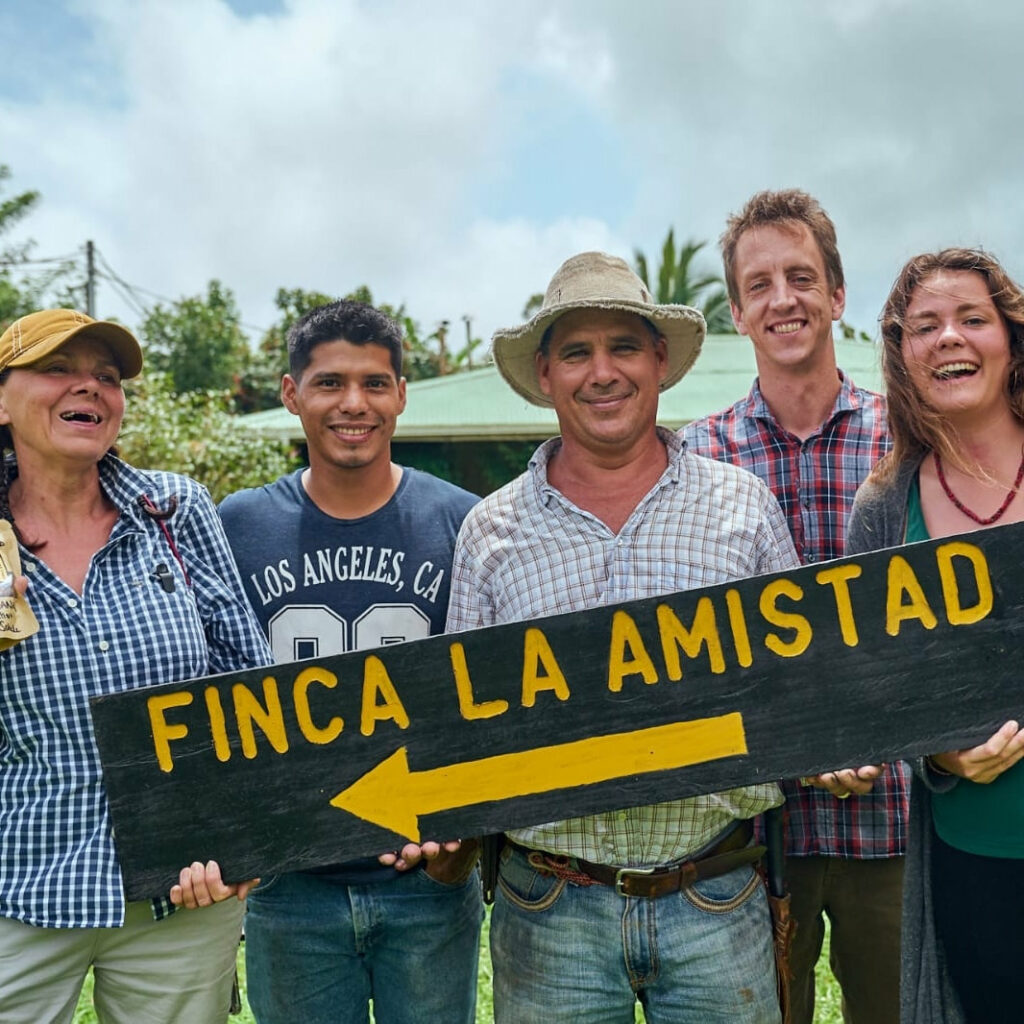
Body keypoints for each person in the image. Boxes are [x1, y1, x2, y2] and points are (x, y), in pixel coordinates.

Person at [448, 251, 800, 1023]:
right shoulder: (490, 532)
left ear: (660, 362)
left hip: (714, 890)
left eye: (624, 348)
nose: (601, 373)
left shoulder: (742, 508)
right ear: (545, 374)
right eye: (577, 352)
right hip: (549, 906)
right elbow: (462, 732)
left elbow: (795, 694)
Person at [0, 309, 272, 1023]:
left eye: (107, 376)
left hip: (180, 888)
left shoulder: (173, 510)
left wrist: (240, 836)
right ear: (2, 400)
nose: (88, 387)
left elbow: (246, 683)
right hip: (17, 884)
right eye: (58, 369)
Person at [218, 299, 483, 1024]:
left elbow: (490, 697)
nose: (353, 404)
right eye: (330, 382)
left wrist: (460, 825)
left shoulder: (465, 521)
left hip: (426, 877)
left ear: (402, 394)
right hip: (290, 882)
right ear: (291, 394)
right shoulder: (236, 526)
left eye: (374, 382)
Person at [683, 189, 906, 1024]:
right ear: (737, 311)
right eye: (762, 284)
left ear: (838, 295)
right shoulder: (697, 458)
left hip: (895, 819)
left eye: (803, 277)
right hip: (753, 833)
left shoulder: (909, 438)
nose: (785, 299)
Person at [847, 248, 1024, 1024]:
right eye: (925, 326)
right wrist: (937, 750)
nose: (949, 337)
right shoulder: (882, 509)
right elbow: (881, 688)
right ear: (903, 356)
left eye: (972, 319)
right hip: (972, 857)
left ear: (1011, 339)